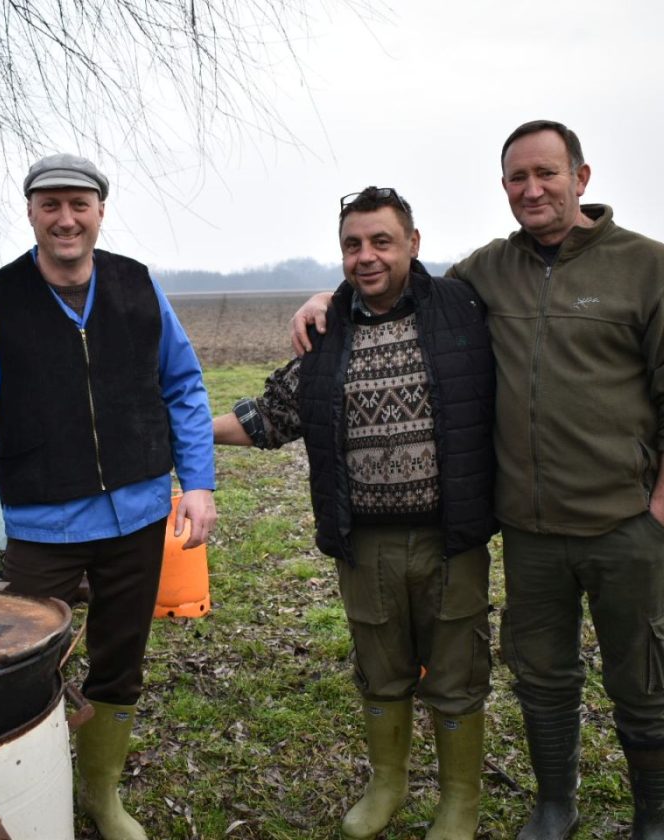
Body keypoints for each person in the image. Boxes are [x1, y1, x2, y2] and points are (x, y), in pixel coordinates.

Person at [291, 122, 664, 840]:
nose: (533, 189)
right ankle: (555, 805)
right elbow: (394, 281)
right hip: (528, 532)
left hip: (626, 526)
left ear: (581, 178)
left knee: (642, 683)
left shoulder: (651, 268)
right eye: (518, 178)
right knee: (543, 680)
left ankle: (656, 823)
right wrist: (325, 298)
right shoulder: (486, 273)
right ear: (504, 188)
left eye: (547, 174)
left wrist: (660, 517)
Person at [0, 152, 217, 840]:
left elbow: (183, 388)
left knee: (121, 661)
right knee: (26, 666)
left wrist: (199, 483)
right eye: (50, 205)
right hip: (44, 526)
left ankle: (102, 796)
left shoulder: (136, 286)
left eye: (79, 204)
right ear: (31, 212)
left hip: (139, 516)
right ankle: (28, 790)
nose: (65, 218)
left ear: (100, 210)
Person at [215, 186, 497, 840]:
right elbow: (271, 416)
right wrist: (185, 436)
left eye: (381, 242)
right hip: (363, 544)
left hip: (449, 537)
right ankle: (388, 784)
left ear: (413, 244)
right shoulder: (327, 332)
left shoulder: (465, 310)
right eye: (352, 245)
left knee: (457, 675)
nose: (366, 257)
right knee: (381, 671)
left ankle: (460, 800)